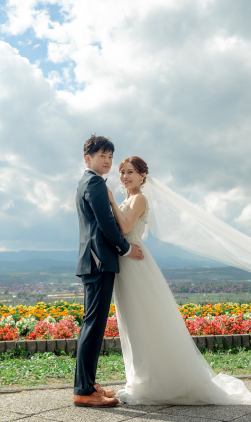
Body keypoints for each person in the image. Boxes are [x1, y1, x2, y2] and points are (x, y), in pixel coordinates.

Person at [106, 156, 251, 405]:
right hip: (126, 266)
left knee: (144, 323)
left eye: (130, 172)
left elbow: (124, 228)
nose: (124, 176)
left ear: (143, 176)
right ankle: (141, 378)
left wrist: (110, 200)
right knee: (133, 326)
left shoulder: (139, 199)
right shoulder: (127, 199)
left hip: (136, 267)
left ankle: (157, 382)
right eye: (122, 172)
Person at [73, 135, 144, 408]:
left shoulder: (89, 183)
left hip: (94, 261)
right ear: (88, 158)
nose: (107, 161)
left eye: (110, 156)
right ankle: (83, 391)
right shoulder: (93, 183)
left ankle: (87, 385)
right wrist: (125, 249)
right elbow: (105, 223)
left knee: (92, 325)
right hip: (99, 261)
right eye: (102, 155)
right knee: (93, 326)